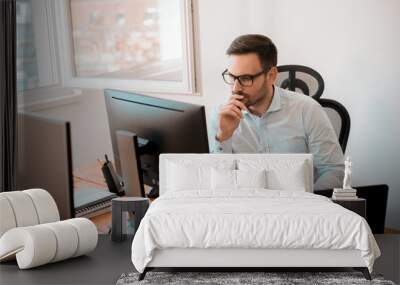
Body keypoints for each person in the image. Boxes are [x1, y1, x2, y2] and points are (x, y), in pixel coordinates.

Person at [211, 34, 344, 190]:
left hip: (300, 207)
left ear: (271, 75)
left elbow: (333, 171)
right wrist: (223, 137)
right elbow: (219, 182)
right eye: (232, 77)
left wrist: (306, 204)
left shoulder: (307, 110)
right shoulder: (222, 115)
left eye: (246, 78)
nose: (235, 88)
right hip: (248, 207)